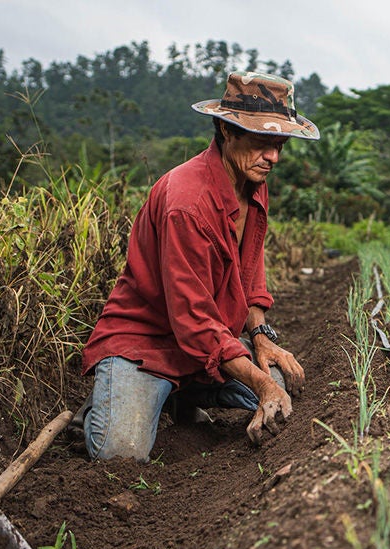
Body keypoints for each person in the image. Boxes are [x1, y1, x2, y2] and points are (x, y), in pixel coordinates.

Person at [73, 71, 320, 462]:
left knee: (283, 389)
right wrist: (259, 383)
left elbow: (249, 271)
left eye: (280, 145)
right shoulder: (187, 204)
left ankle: (178, 395)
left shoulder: (252, 180)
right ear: (226, 131)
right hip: (148, 344)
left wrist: (261, 337)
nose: (273, 157)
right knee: (120, 452)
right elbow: (193, 320)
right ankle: (106, 403)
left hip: (207, 344)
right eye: (262, 143)